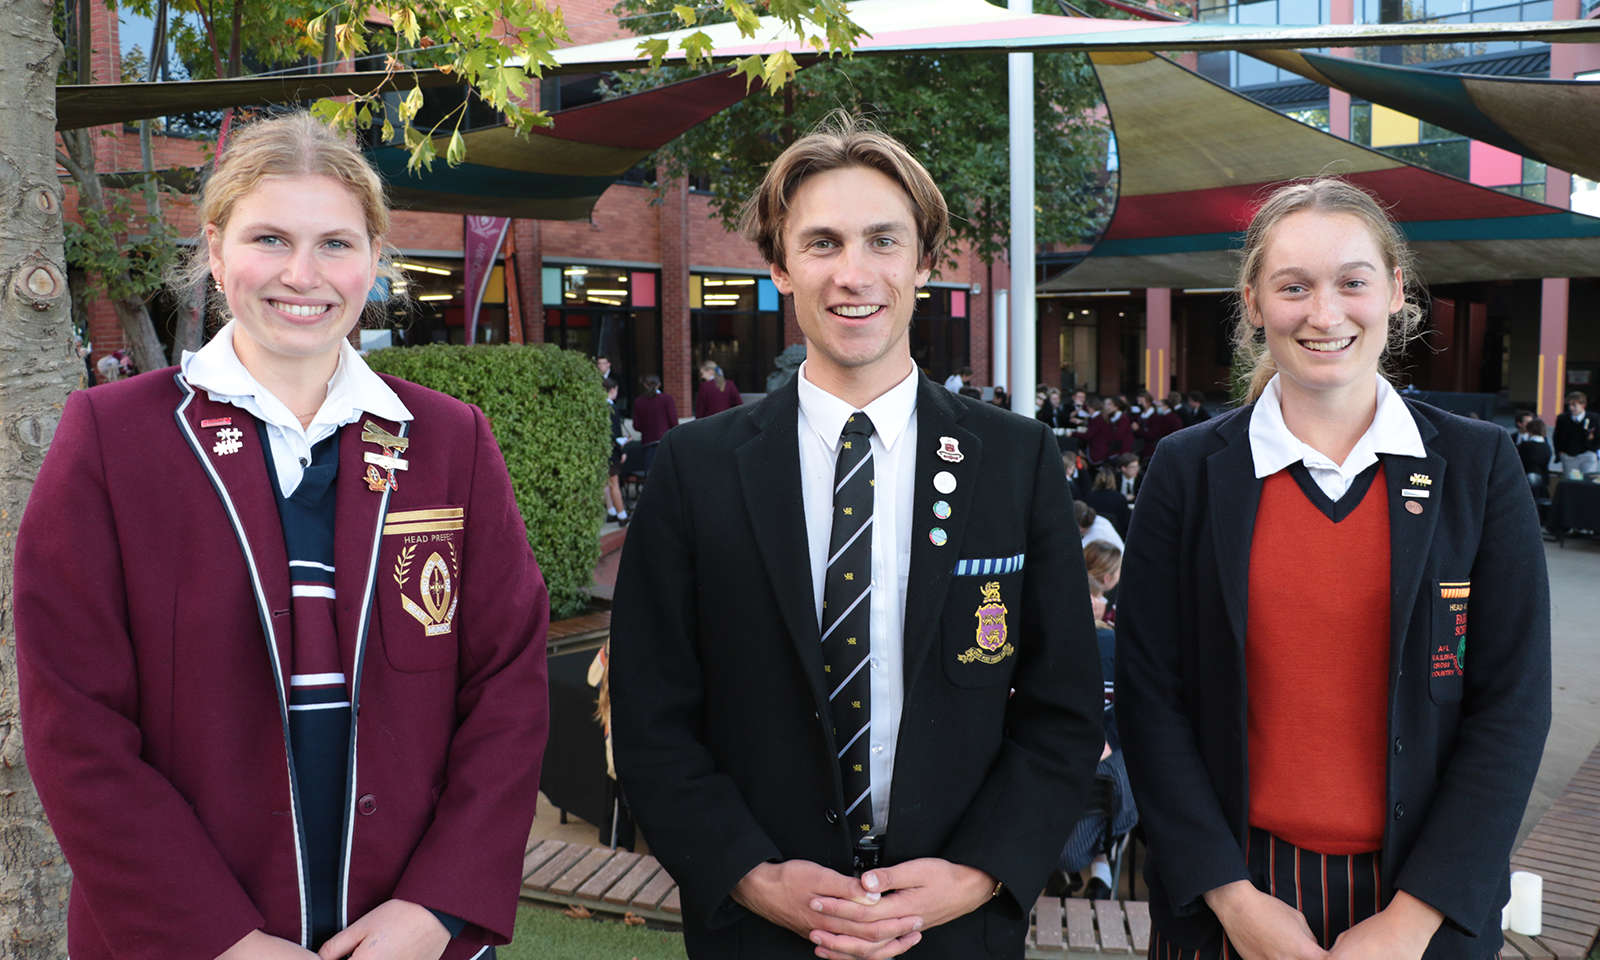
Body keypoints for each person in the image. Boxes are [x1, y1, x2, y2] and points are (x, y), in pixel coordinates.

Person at [14, 112, 550, 960]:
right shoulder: (113, 440)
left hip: (404, 936)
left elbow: (509, 692)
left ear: (375, 260)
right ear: (218, 250)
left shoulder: (450, 443)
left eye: (336, 243)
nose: (304, 275)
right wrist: (218, 939)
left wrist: (437, 908)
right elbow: (73, 724)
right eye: (270, 238)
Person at [609, 114, 1103, 960]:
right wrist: (749, 874)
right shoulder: (695, 467)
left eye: (883, 240)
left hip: (956, 928)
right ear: (779, 267)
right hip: (757, 929)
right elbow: (651, 713)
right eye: (822, 243)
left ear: (924, 261)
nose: (853, 273)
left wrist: (980, 873)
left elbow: (1061, 712)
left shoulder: (1016, 462)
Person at [1117, 177, 1550, 960]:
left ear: (1395, 294)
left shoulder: (1478, 467)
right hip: (1233, 898)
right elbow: (1150, 700)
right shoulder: (1186, 471)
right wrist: (1234, 901)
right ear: (1252, 302)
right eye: (1294, 287)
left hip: (1425, 904)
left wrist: (1411, 921)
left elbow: (1512, 708)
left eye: (1352, 282)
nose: (1324, 313)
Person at [1553, 390, 1598, 476]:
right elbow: (1557, 437)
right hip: (1569, 456)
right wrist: (1560, 452)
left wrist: (1593, 449)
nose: (1571, 408)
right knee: (1572, 482)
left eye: (1574, 405)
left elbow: (1598, 436)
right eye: (1569, 405)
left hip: (1587, 455)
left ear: (1583, 405)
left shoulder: (1594, 418)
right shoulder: (1562, 419)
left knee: (1588, 481)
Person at [605, 377, 630, 524]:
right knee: (614, 483)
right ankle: (622, 515)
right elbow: (615, 434)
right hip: (612, 451)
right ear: (613, 389)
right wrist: (622, 450)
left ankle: (611, 511)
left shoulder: (597, 407)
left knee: (605, 484)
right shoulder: (612, 408)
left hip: (602, 450)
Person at [631, 373, 679, 446]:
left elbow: (636, 426)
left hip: (647, 441)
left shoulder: (639, 401)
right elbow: (673, 422)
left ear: (645, 385)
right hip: (664, 440)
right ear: (659, 384)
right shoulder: (667, 399)